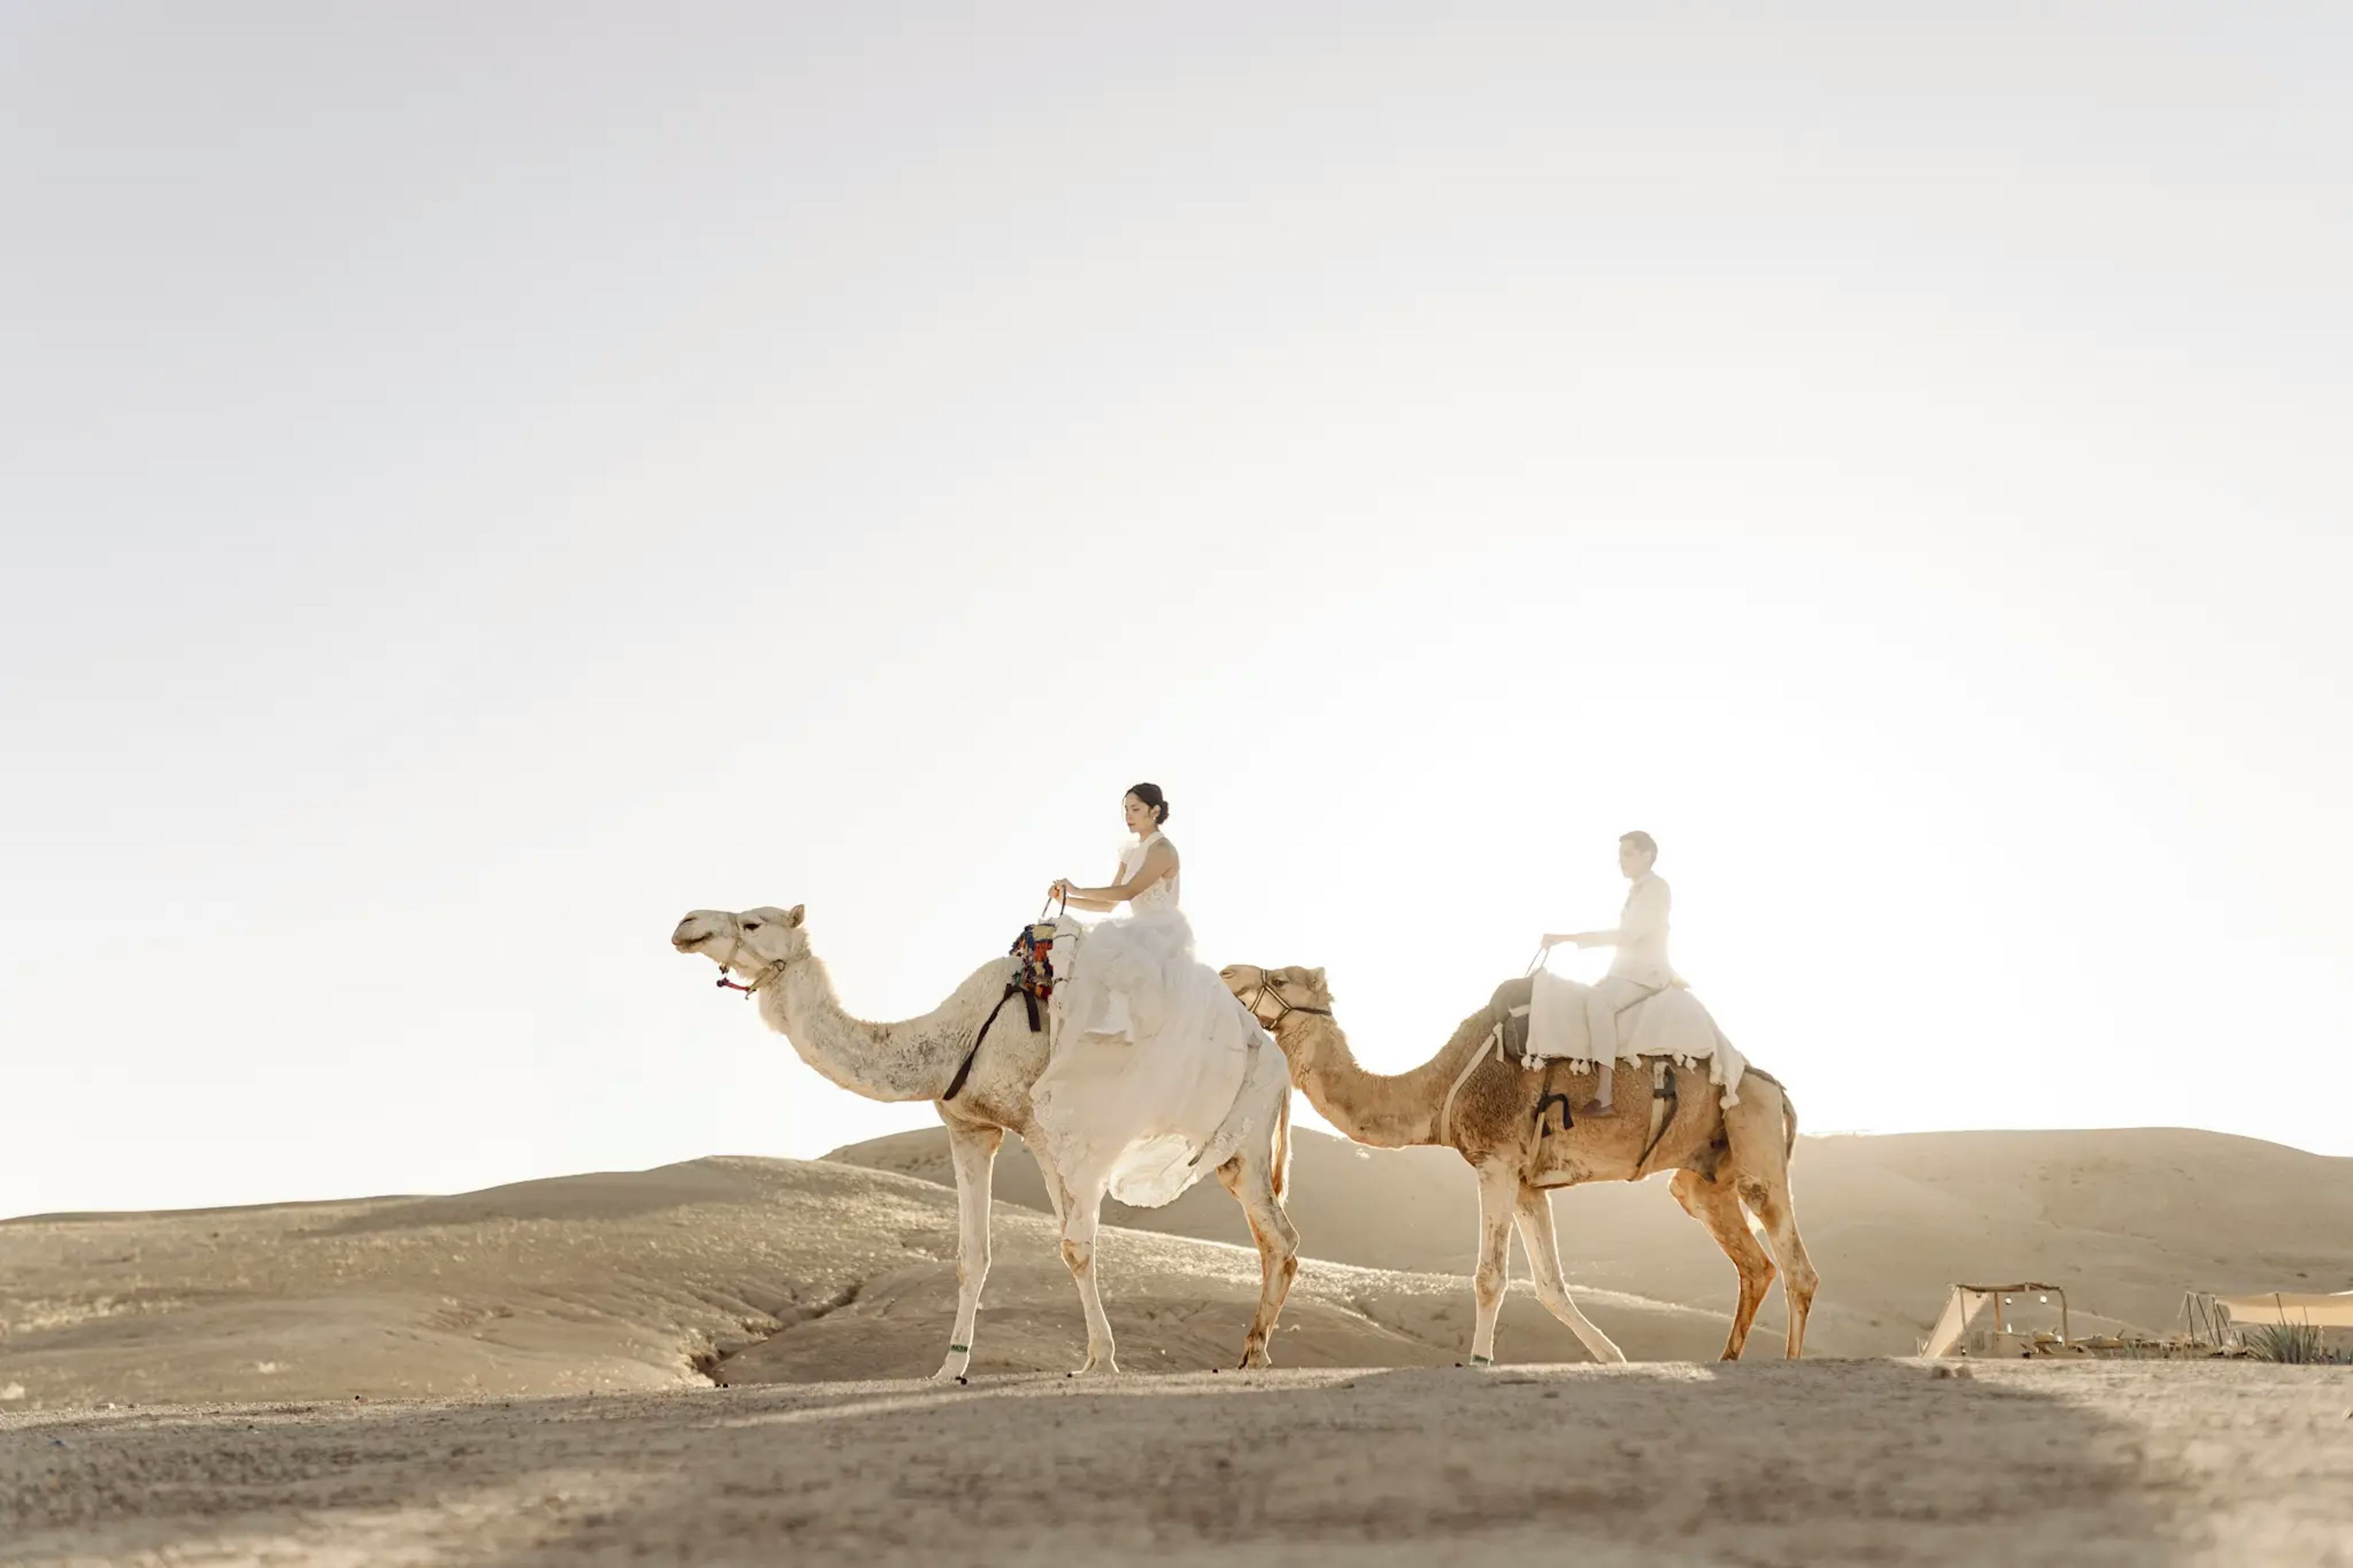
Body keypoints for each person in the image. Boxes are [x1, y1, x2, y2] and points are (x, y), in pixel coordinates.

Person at [1031, 783, 1271, 1209]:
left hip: (1160, 935)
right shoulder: (1130, 851)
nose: (1129, 815)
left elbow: (1126, 896)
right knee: (1097, 947)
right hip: (1137, 930)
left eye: (1137, 808)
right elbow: (1108, 906)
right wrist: (1070, 897)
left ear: (1156, 812)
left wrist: (1073, 887)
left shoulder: (1163, 850)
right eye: (1125, 809)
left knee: (1114, 959)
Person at [1541, 830, 1675, 1116]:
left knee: (1599, 1003)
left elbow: (1628, 938)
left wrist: (1567, 938)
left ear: (1647, 856)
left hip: (1647, 974)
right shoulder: (1638, 891)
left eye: (1628, 854)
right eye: (1620, 855)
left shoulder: (1656, 890)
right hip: (1631, 971)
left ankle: (1605, 1096)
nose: (1621, 861)